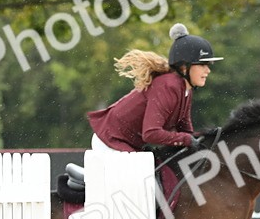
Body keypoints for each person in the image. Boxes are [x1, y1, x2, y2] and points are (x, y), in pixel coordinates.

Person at [87, 23, 222, 153]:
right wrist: (186, 139)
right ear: (184, 66)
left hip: (129, 144)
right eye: (202, 65)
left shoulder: (186, 90)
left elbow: (185, 132)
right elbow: (151, 133)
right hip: (111, 140)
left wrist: (206, 136)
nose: (208, 70)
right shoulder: (168, 86)